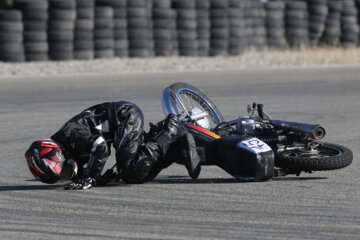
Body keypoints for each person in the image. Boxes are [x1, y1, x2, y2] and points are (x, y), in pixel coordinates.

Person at [25, 101, 201, 190]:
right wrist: (100, 178)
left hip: (123, 116)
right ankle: (174, 150)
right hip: (117, 131)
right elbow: (90, 170)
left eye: (63, 171)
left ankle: (171, 128)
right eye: (61, 177)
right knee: (136, 176)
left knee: (130, 168)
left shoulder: (70, 134)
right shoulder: (69, 155)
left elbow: (100, 146)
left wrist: (91, 178)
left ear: (60, 154)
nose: (66, 175)